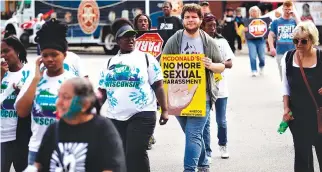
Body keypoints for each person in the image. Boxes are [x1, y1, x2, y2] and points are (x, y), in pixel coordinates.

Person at [97, 18, 168, 172]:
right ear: (117, 40)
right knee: (120, 154)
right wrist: (92, 110)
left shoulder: (146, 58)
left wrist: (165, 110)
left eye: (132, 36)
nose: (130, 39)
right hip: (115, 116)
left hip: (142, 113)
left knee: (135, 153)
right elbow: (102, 91)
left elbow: (159, 86)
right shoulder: (109, 62)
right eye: (125, 36)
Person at [162, 4, 224, 172]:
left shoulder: (208, 41)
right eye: (187, 17)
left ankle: (189, 169)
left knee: (193, 135)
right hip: (178, 97)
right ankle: (203, 163)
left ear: (200, 19)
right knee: (191, 135)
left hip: (202, 97)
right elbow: (163, 65)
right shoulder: (175, 39)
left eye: (194, 17)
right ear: (183, 20)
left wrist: (211, 65)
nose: (190, 20)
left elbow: (222, 66)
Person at [15, 18, 76, 166]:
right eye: (45, 55)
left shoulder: (73, 82)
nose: (49, 59)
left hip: (64, 151)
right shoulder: (33, 79)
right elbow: (22, 112)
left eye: (54, 54)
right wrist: (36, 79)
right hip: (36, 151)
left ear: (64, 55)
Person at [32, 77, 126, 172]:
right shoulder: (54, 128)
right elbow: (39, 164)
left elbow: (112, 168)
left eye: (66, 97)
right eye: (58, 96)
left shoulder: (103, 129)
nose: (58, 102)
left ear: (85, 105)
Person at [281, 20, 322, 172]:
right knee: (302, 156)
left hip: (319, 115)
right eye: (295, 40)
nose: (298, 44)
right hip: (297, 115)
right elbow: (285, 86)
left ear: (312, 40)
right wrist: (286, 108)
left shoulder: (321, 57)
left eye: (303, 41)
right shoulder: (288, 57)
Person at [200, 13, 234, 162]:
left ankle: (223, 144)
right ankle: (207, 151)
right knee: (205, 122)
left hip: (220, 86)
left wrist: (215, 65)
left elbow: (230, 63)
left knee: (221, 121)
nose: (213, 28)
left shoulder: (222, 41)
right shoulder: (198, 41)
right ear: (203, 26)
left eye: (214, 25)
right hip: (203, 87)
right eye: (209, 26)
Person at [1, 36, 32, 172]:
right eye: (0, 52)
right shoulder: (1, 72)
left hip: (22, 137)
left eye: (6, 51)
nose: (2, 56)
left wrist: (24, 92)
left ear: (18, 50)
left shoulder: (30, 73)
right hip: (2, 137)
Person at [133, 13, 157, 150]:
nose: (143, 23)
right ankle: (145, 136)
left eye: (145, 21)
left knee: (152, 108)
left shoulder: (155, 38)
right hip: (137, 77)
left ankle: (149, 134)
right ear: (136, 24)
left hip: (152, 76)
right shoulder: (132, 39)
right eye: (140, 21)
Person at [268, 0, 299, 80]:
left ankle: (292, 91)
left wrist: (295, 17)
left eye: (289, 9)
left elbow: (302, 29)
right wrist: (271, 47)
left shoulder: (294, 21)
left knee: (294, 73)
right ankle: (285, 91)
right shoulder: (276, 21)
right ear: (282, 9)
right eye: (286, 9)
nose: (288, 11)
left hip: (293, 51)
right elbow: (271, 35)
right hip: (280, 52)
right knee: (283, 74)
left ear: (292, 9)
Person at [244, 6, 266, 77]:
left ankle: (261, 66)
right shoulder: (247, 21)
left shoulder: (263, 20)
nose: (254, 12)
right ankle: (254, 70)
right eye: (252, 11)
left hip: (261, 40)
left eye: (255, 11)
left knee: (262, 57)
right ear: (250, 12)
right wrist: (245, 31)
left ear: (258, 12)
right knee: (252, 56)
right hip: (251, 41)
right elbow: (244, 31)